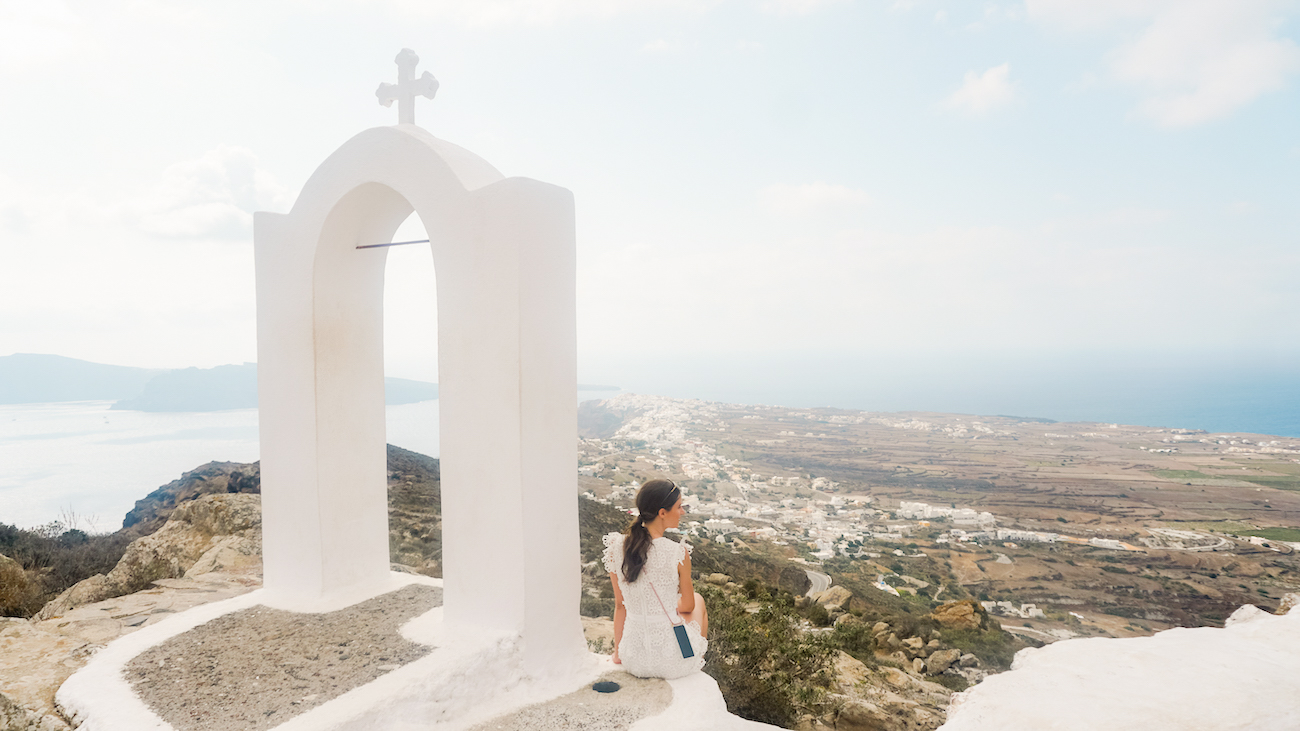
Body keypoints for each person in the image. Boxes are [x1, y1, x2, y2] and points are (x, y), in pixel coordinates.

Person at [602, 479, 708, 679]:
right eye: (679, 507)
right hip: (670, 662)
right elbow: (687, 605)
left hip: (633, 659)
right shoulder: (678, 553)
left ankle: (620, 652)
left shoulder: (616, 548)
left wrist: (618, 654)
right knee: (699, 600)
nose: (682, 512)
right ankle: (695, 665)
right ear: (662, 512)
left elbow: (619, 605)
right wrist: (666, 604)